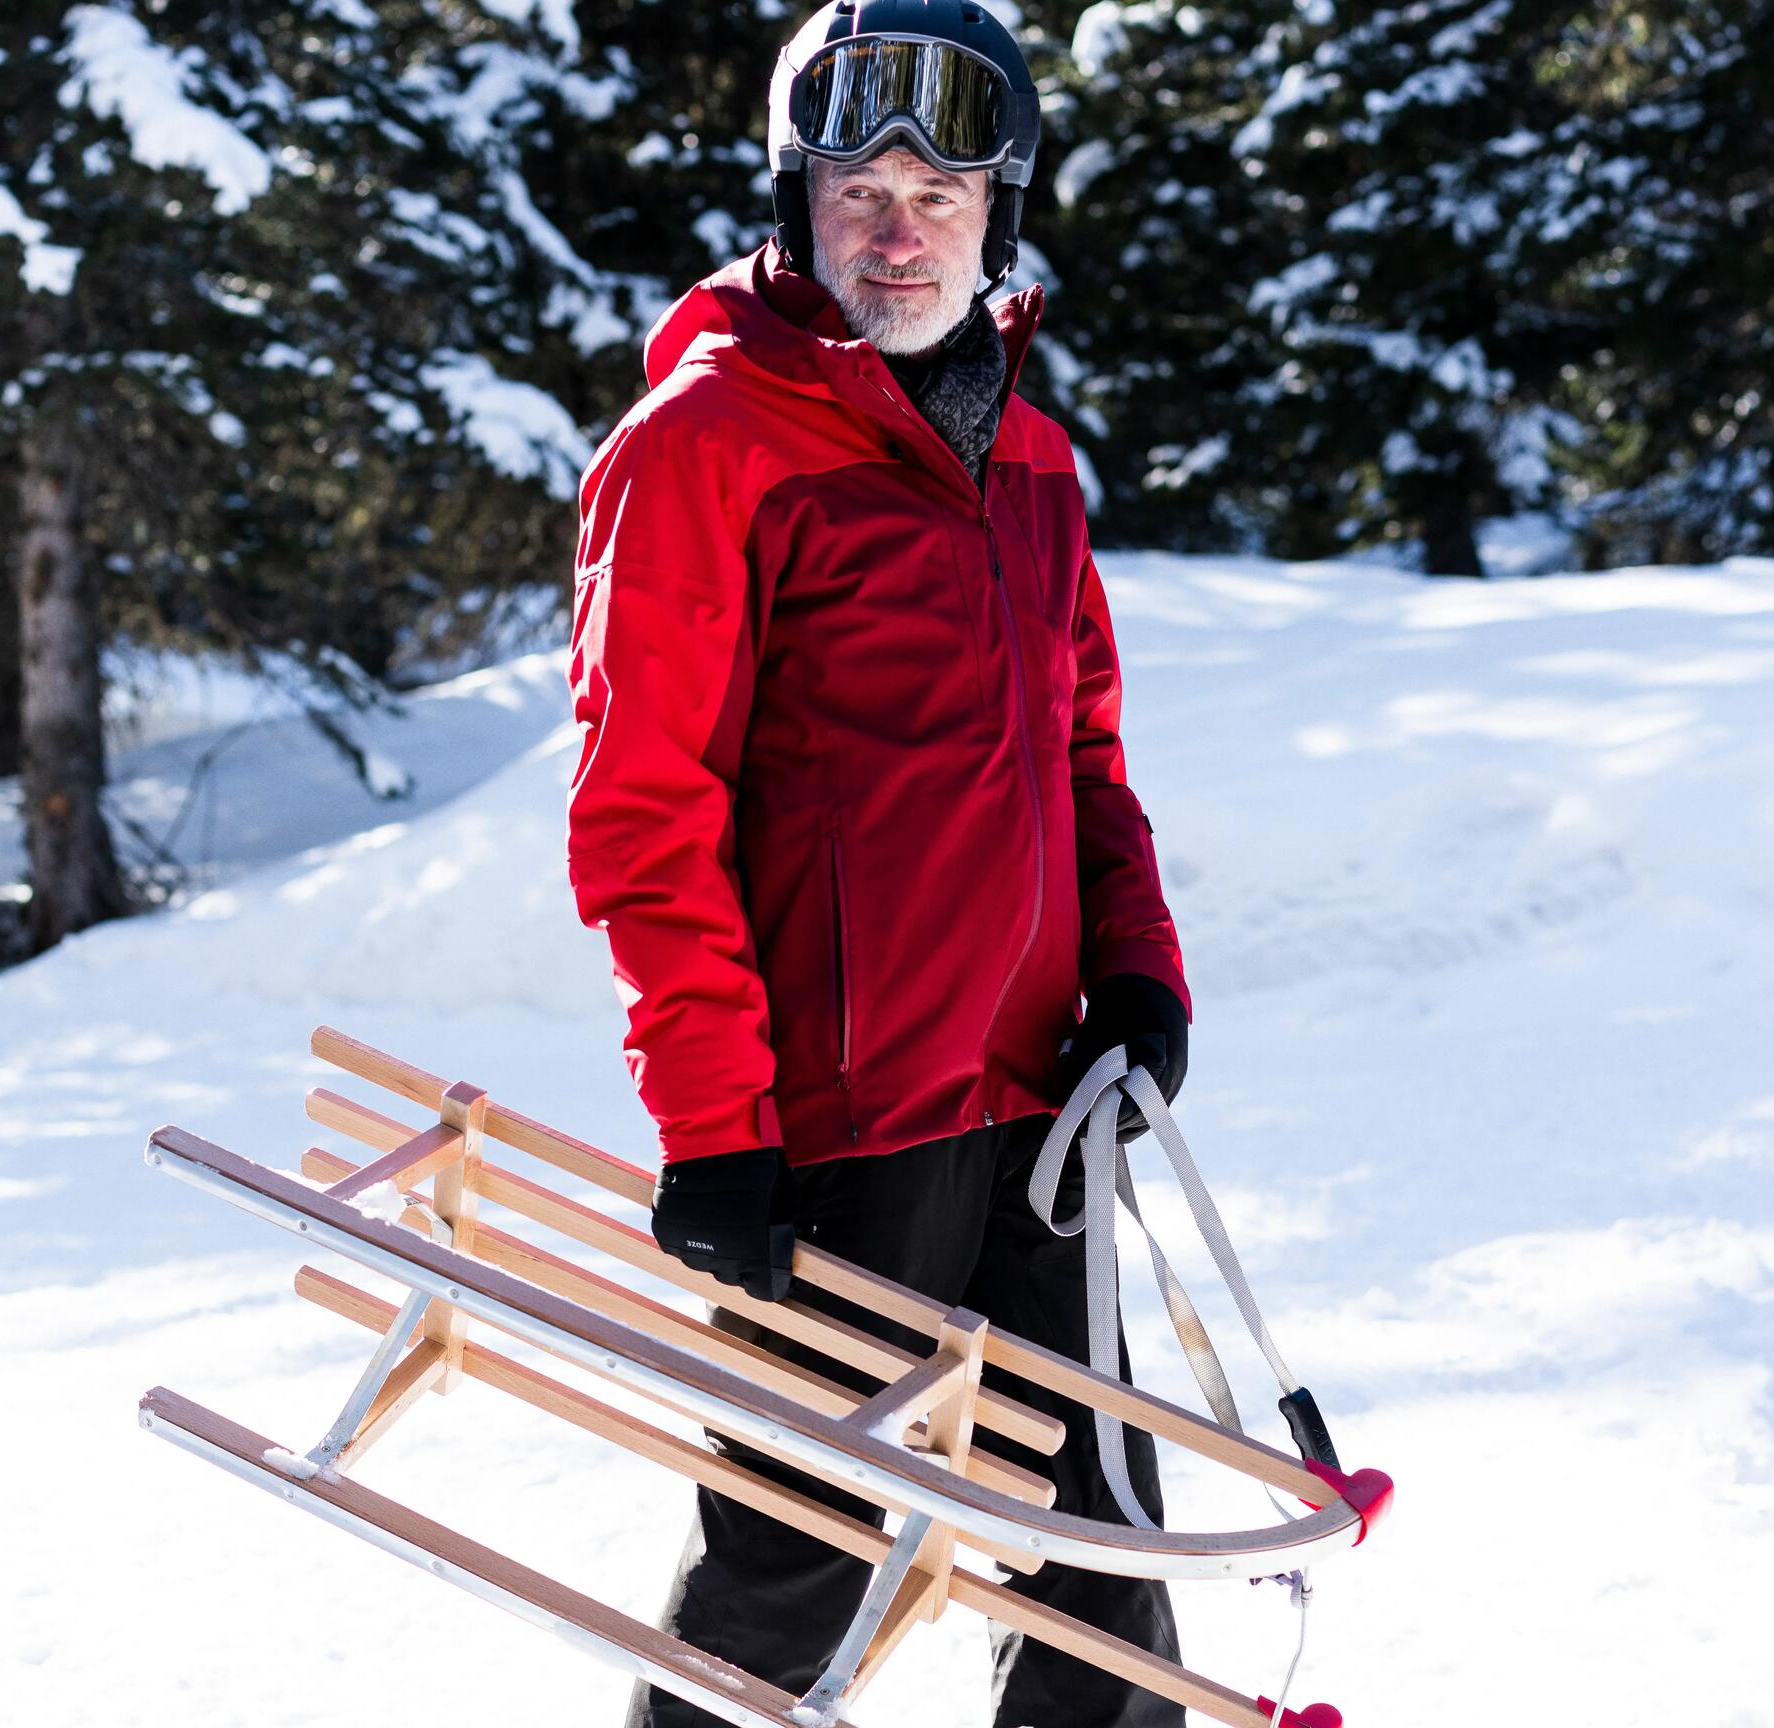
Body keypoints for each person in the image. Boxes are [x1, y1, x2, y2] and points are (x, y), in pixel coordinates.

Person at [564, 4, 1193, 1723]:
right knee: (798, 1558)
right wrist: (716, 1129)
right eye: (857, 186)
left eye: (937, 188)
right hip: (836, 1127)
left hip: (1035, 1107)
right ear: (797, 201)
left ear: (1001, 208)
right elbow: (645, 811)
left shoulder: (1034, 460)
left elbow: (1084, 758)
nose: (896, 228)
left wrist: (1139, 972)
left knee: (1104, 1546)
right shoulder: (707, 448)